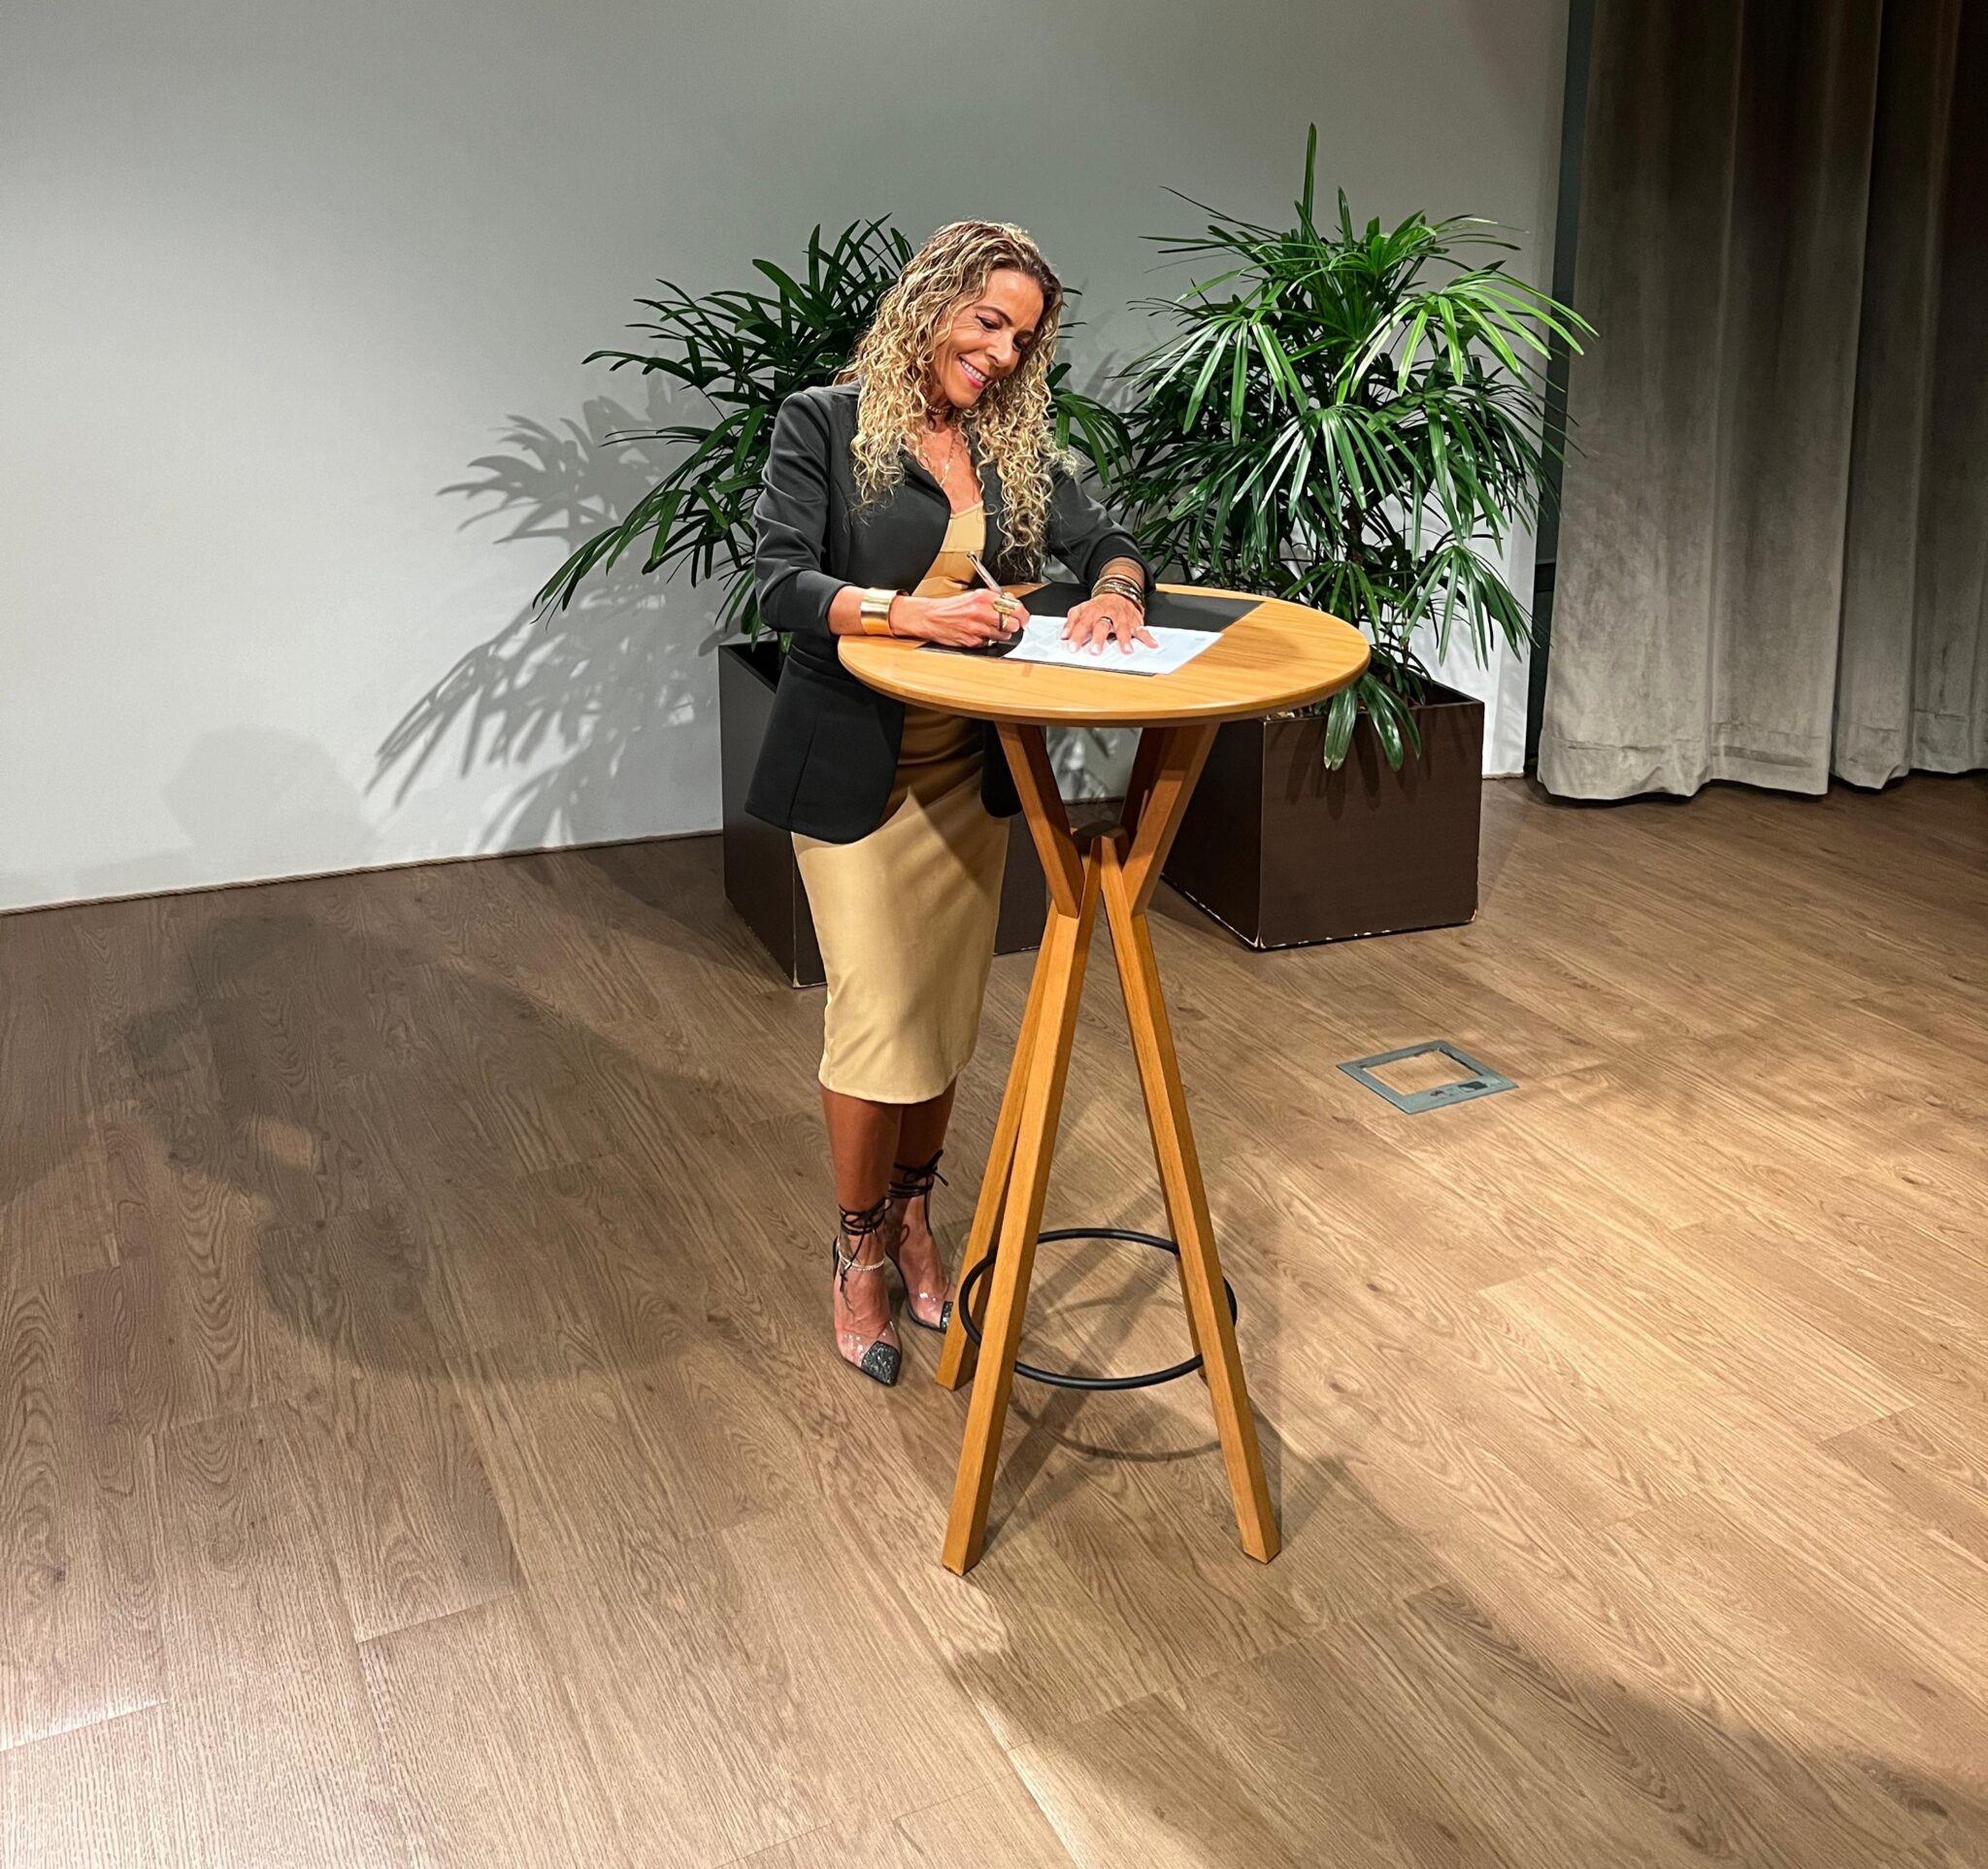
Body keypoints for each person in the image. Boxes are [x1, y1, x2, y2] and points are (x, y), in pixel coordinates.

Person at [746, 219, 1155, 1386]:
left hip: (964, 774)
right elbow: (778, 579)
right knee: (878, 1014)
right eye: (987, 322)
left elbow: (1109, 536)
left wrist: (1116, 594)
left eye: (1022, 339)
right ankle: (856, 1249)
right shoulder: (824, 423)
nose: (1002, 354)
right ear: (931, 302)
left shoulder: (1007, 445)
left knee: (941, 1017)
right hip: (851, 768)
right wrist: (905, 612)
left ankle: (915, 1216)